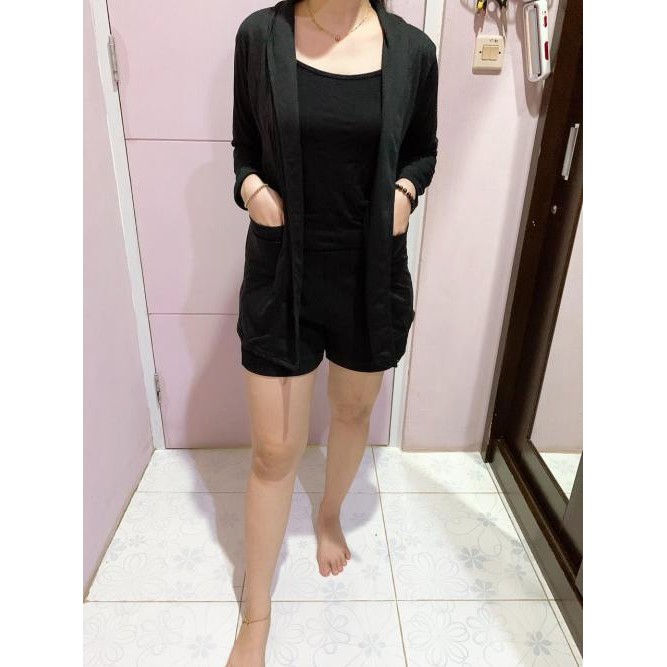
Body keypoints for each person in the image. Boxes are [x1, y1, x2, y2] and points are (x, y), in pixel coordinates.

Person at [227, 1, 438, 664]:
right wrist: (252, 191)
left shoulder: (412, 52)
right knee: (272, 452)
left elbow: (422, 152)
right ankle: (256, 614)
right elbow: (243, 147)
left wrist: (404, 194)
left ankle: (327, 515)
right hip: (281, 273)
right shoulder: (260, 36)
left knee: (351, 411)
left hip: (368, 274)